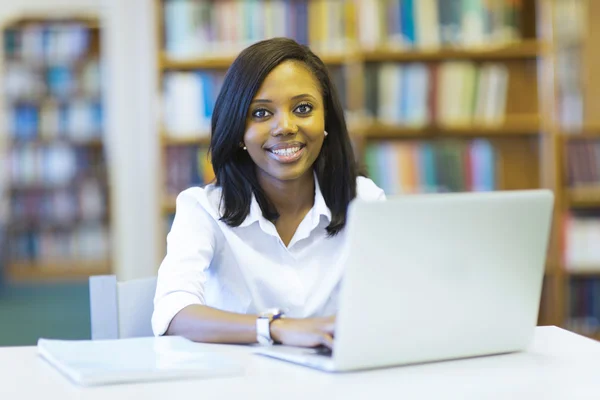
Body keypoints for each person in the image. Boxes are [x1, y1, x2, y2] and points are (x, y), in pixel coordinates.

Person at [152, 37, 385, 349]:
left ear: (326, 119)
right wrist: (277, 328)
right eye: (261, 113)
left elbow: (394, 300)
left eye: (303, 108)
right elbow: (173, 315)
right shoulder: (202, 209)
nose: (285, 127)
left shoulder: (364, 201)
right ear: (238, 132)